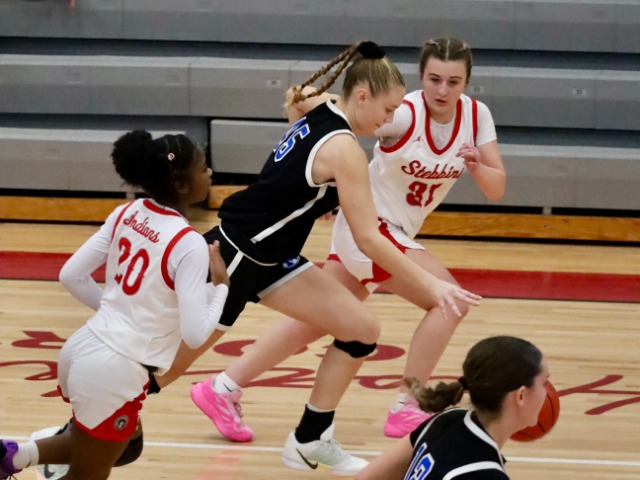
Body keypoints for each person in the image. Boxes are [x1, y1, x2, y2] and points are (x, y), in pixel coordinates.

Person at [140, 40, 480, 476]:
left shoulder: (326, 108)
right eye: (389, 109)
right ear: (362, 96)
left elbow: (297, 96)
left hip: (275, 259)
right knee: (160, 373)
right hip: (237, 257)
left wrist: (309, 187)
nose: (390, 119)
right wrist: (431, 284)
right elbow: (369, 239)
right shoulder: (346, 150)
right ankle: (86, 428)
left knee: (361, 330)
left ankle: (309, 440)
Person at [0, 130, 230, 480]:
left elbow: (70, 275)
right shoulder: (189, 243)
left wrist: (118, 315)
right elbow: (196, 334)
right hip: (115, 370)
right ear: (182, 185)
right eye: (203, 167)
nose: (210, 173)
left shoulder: (128, 211)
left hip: (83, 348)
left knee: (127, 444)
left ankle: (14, 457)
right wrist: (222, 288)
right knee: (89, 472)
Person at [354, 335, 550, 480]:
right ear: (521, 395)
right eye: (544, 383)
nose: (548, 392)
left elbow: (365, 478)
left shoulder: (448, 419)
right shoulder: (484, 474)